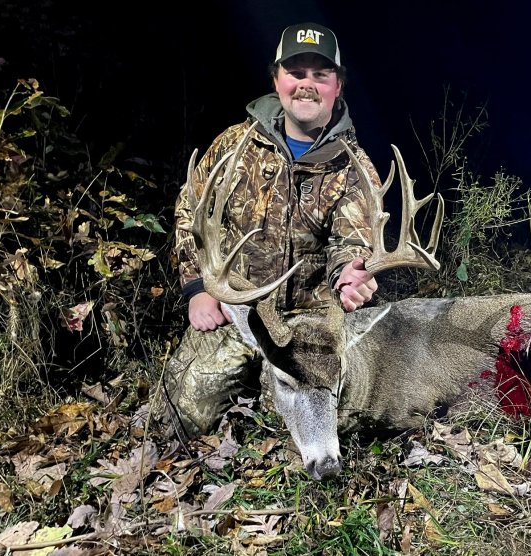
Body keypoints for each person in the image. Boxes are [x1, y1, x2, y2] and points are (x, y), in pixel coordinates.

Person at [162, 22, 381, 439]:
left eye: (321, 75)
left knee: (325, 423)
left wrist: (350, 275)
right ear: (277, 79)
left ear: (338, 85)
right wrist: (197, 288)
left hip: (308, 324)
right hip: (236, 311)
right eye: (296, 72)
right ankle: (249, 380)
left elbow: (353, 243)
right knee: (182, 415)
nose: (307, 85)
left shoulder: (355, 169)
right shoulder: (234, 144)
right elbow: (191, 209)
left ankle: (269, 392)